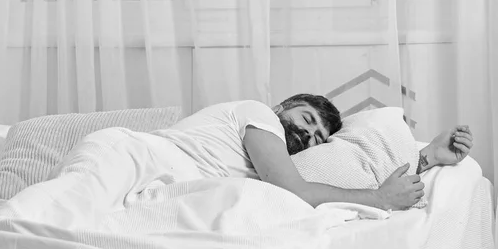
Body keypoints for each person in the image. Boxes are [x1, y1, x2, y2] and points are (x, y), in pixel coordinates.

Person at [151, 94, 474, 211]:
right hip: (140, 157)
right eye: (306, 119)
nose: (308, 134)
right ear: (282, 107)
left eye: (317, 138)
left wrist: (429, 155)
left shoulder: (271, 164)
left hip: (162, 191)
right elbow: (295, 191)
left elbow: (350, 166)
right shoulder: (259, 114)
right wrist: (380, 198)